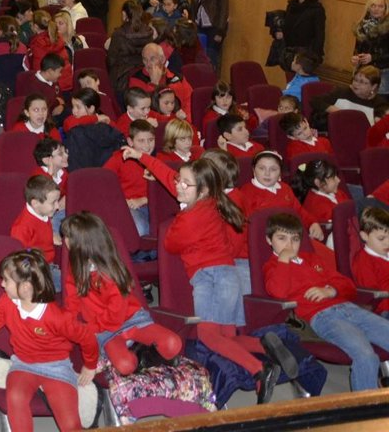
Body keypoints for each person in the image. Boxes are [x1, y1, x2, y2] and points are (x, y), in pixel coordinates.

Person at [136, 154, 288, 402]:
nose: (178, 186)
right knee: (228, 337)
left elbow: (170, 243)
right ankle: (264, 346)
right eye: (179, 180)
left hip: (210, 278)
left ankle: (259, 369)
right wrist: (142, 157)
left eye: (185, 183)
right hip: (229, 275)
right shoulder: (213, 201)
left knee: (208, 337)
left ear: (202, 189)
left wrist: (179, 213)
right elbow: (171, 177)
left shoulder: (190, 218)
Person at [0, 250, 98, 432]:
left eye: (6, 280)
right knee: (16, 398)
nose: (2, 284)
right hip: (24, 364)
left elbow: (86, 337)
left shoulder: (57, 317)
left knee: (70, 423)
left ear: (26, 287)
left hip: (56, 367)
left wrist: (90, 365)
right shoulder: (7, 302)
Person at [263, 212, 389, 392]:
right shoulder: (273, 266)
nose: (289, 245)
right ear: (269, 240)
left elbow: (348, 286)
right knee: (366, 356)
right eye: (282, 238)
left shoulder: (312, 259)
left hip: (349, 308)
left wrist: (330, 290)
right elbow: (278, 292)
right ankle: (368, 407)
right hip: (323, 317)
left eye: (295, 239)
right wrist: (283, 260)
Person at [61, 212, 182, 376]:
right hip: (106, 330)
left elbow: (115, 314)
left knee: (173, 344)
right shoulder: (76, 264)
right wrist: (70, 324)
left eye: (69, 237)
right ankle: (141, 352)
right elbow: (71, 299)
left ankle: (141, 352)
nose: (65, 241)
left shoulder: (110, 271)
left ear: (84, 244)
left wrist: (91, 328)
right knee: (125, 366)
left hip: (129, 319)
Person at [277, 0, 326, 74]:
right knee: (290, 81)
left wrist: (314, 57)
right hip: (289, 53)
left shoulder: (316, 10)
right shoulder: (291, 6)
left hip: (305, 57)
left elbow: (319, 36)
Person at [189, 0, 230, 71]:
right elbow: (193, 3)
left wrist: (220, 31)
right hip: (198, 24)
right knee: (198, 55)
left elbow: (224, 9)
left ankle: (212, 79)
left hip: (213, 26)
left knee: (211, 58)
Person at [352, 0, 389, 95]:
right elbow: (357, 49)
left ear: (385, 9)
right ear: (368, 8)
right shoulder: (361, 27)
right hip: (364, 71)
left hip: (384, 71)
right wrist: (355, 58)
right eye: (373, 5)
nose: (376, 9)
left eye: (380, 6)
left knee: (380, 100)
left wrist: (373, 57)